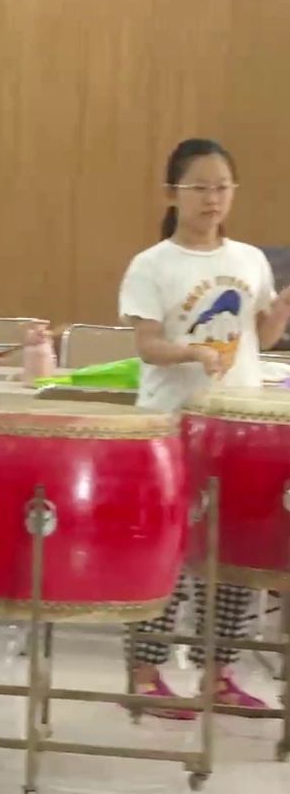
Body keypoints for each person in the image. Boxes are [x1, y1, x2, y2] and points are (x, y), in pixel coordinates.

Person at [119, 138, 284, 715]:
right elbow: (147, 345)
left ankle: (219, 673)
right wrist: (191, 352)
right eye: (200, 187)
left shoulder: (250, 260)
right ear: (173, 193)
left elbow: (262, 336)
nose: (213, 198)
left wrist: (284, 304)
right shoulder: (152, 265)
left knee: (233, 555)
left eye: (222, 187)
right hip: (172, 426)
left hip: (239, 429)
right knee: (168, 551)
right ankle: (145, 676)